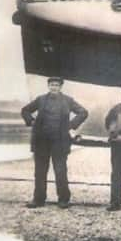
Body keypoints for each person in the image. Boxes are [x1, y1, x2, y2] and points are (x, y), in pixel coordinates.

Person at [20, 77, 88, 209]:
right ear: (48, 86)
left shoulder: (68, 100)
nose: (54, 87)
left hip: (60, 141)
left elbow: (83, 112)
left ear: (61, 86)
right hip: (41, 141)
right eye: (51, 85)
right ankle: (38, 199)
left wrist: (71, 125)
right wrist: (31, 121)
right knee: (40, 171)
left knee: (60, 171)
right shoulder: (41, 99)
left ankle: (63, 199)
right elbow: (25, 110)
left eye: (56, 85)